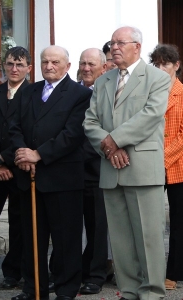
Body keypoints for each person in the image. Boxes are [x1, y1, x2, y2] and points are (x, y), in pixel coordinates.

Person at [83, 26, 171, 300]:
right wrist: (110, 148)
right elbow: (90, 121)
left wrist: (115, 140)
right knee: (120, 240)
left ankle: (152, 293)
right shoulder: (104, 81)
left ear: (137, 47)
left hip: (142, 169)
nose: (115, 47)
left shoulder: (156, 77)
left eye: (121, 42)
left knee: (148, 237)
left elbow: (150, 115)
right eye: (112, 43)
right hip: (112, 168)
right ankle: (130, 291)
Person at [9, 45, 92, 300]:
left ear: (67, 66)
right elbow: (13, 125)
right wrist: (22, 152)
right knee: (33, 239)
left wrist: (39, 154)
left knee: (65, 240)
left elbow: (73, 134)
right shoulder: (30, 90)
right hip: (29, 175)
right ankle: (34, 289)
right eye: (45, 61)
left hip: (62, 178)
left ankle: (66, 290)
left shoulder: (79, 94)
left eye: (55, 62)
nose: (49, 66)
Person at [149, 44, 183, 290]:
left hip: (179, 165)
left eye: (165, 63)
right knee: (150, 220)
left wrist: (160, 158)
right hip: (149, 162)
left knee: (178, 223)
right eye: (156, 64)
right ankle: (151, 270)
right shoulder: (148, 91)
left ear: (176, 65)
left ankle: (175, 272)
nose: (160, 68)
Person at [0, 46, 32, 289]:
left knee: (18, 224)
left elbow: (26, 132)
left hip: (17, 169)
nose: (14, 69)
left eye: (19, 64)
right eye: (10, 64)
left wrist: (4, 159)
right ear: (3, 66)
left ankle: (12, 272)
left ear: (28, 68)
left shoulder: (33, 94)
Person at [78, 48, 108, 294]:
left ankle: (96, 275)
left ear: (103, 68)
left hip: (98, 169)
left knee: (98, 226)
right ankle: (67, 271)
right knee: (67, 226)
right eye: (83, 63)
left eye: (91, 64)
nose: (86, 68)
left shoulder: (107, 93)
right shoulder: (71, 92)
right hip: (68, 169)